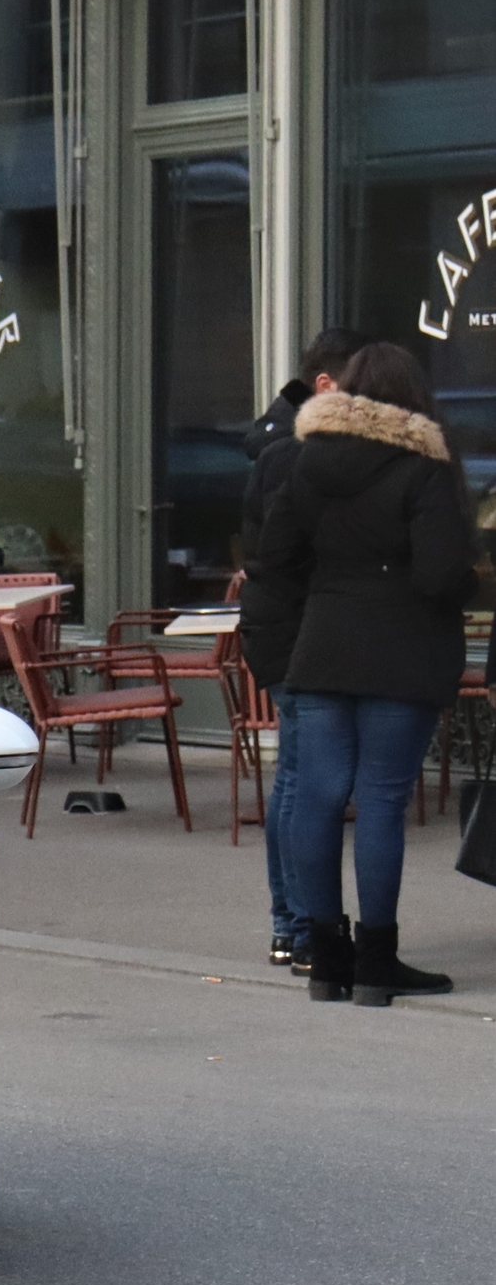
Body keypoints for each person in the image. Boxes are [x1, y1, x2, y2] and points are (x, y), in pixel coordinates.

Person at [253, 342, 482, 1005]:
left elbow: (277, 558)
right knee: (381, 800)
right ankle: (378, 960)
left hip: (322, 645)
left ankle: (327, 958)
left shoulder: (304, 461)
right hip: (401, 651)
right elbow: (441, 573)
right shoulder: (424, 466)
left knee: (319, 798)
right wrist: (468, 581)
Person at [238, 328, 365, 974]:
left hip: (279, 629)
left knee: (295, 778)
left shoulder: (273, 451)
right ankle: (300, 924)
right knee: (303, 780)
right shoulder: (303, 456)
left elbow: (259, 553)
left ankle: (291, 924)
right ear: (327, 386)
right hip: (300, 633)